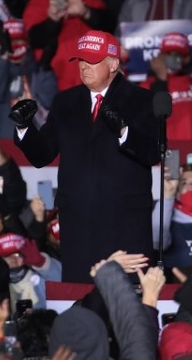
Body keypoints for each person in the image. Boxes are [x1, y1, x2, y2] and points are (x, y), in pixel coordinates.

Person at [10, 29, 160, 282]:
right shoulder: (65, 102)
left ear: (113, 64)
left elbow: (153, 152)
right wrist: (25, 127)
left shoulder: (144, 101)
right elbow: (42, 155)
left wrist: (124, 131)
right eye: (80, 60)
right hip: (78, 224)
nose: (83, 66)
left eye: (91, 60)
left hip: (125, 225)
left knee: (127, 306)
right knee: (80, 298)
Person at [23, 0, 112, 91]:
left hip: (93, 88)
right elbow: (33, 40)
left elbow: (109, 28)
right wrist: (53, 20)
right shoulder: (39, 3)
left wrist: (85, 12)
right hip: (53, 89)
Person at [140, 31, 192, 141]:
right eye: (168, 54)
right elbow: (146, 122)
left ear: (186, 59)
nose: (173, 58)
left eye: (178, 54)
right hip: (168, 152)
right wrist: (161, 78)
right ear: (160, 56)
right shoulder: (147, 86)